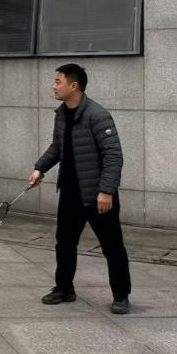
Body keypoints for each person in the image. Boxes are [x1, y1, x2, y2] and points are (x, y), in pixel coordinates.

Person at [29, 64, 132, 314]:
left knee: (112, 247)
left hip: (97, 195)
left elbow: (113, 156)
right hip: (70, 193)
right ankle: (64, 289)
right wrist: (40, 168)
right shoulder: (62, 114)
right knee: (64, 243)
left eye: (58, 81)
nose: (54, 86)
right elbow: (57, 147)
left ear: (73, 86)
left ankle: (121, 296)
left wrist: (106, 191)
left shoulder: (98, 115)